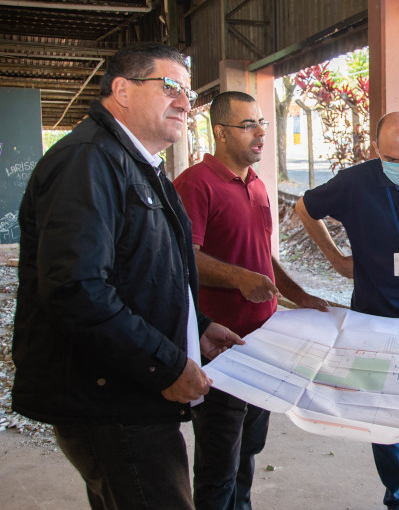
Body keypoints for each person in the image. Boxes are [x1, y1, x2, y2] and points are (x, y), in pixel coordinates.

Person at [12, 43, 244, 509]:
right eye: (171, 87)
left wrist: (195, 331)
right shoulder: (88, 161)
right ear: (121, 90)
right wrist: (168, 364)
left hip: (127, 389)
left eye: (190, 92)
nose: (185, 102)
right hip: (111, 400)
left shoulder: (134, 162)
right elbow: (77, 290)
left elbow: (142, 274)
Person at [295, 111, 399, 510]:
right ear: (376, 151)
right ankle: (398, 497)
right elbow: (305, 208)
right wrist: (336, 259)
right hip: (371, 316)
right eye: (391, 159)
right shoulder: (354, 182)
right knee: (382, 419)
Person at [174, 90, 328, 509]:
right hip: (222, 346)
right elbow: (181, 256)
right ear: (221, 132)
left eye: (262, 122)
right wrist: (239, 278)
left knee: (248, 452)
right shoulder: (195, 183)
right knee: (219, 460)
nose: (261, 132)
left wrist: (300, 296)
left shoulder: (256, 184)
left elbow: (263, 255)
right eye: (248, 125)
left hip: (265, 343)